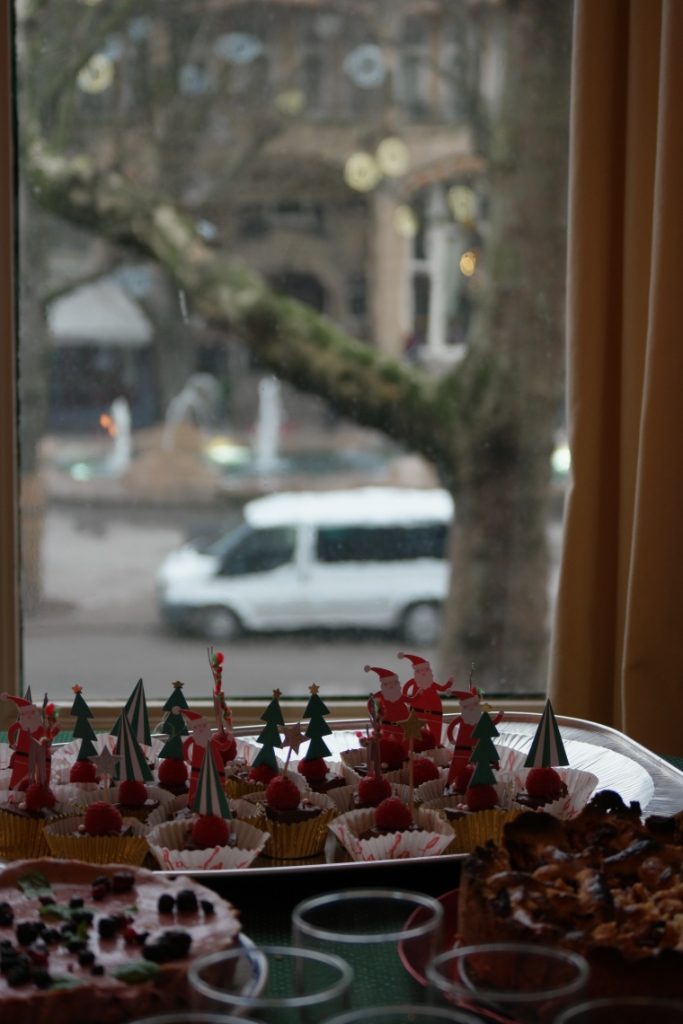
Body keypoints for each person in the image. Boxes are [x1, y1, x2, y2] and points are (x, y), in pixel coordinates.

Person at [446, 686, 503, 786]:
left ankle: (480, 787)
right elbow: (450, 727)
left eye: (475, 705)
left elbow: (491, 724)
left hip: (477, 751)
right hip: (461, 750)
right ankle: (448, 785)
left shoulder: (479, 719)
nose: (472, 708)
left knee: (480, 772)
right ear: (464, 707)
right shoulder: (462, 718)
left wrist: (499, 716)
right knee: (456, 768)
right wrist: (451, 739)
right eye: (469, 706)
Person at [399, 652, 454, 745]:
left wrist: (449, 683)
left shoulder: (431, 683)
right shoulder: (414, 682)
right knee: (415, 734)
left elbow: (442, 688)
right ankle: (415, 746)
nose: (424, 672)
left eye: (426, 669)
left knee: (436, 732)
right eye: (421, 670)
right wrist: (408, 700)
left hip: (434, 712)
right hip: (417, 712)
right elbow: (405, 689)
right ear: (416, 672)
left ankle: (436, 745)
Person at [0, 692, 48, 789]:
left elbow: (45, 737)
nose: (29, 716)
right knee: (17, 777)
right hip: (22, 755)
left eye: (31, 713)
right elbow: (11, 731)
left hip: (34, 757)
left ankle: (33, 788)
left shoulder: (39, 726)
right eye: (25, 713)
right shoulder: (23, 724)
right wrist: (13, 743)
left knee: (34, 778)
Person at [364, 665, 410, 741]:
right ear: (384, 685)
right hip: (386, 724)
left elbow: (411, 700)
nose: (391, 686)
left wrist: (419, 694)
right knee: (384, 739)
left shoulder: (400, 696)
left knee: (401, 740)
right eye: (388, 683)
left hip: (401, 725)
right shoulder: (380, 695)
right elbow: (370, 703)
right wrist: (375, 714)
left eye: (394, 683)